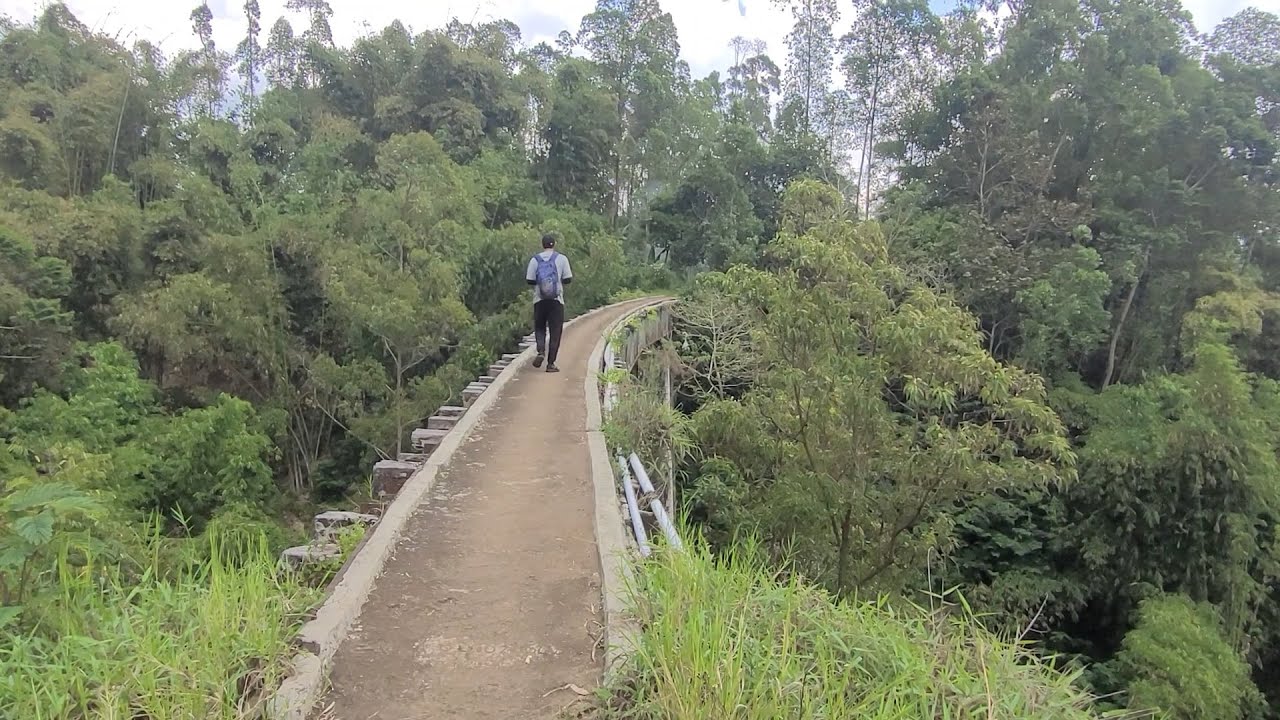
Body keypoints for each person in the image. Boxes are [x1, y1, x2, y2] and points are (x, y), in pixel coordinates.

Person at [525, 233, 573, 373]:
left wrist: (541, 285)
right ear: (554, 244)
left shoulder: (535, 260)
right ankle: (551, 364)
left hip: (539, 300)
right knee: (555, 332)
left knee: (540, 328)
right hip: (556, 300)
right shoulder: (562, 259)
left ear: (542, 244)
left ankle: (540, 351)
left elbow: (530, 280)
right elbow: (568, 278)